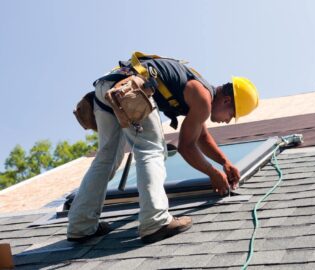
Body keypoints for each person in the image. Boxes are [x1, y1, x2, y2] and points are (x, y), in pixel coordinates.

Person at [67, 54, 259, 244]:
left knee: (106, 159)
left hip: (107, 87)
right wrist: (213, 173)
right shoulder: (203, 98)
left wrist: (225, 163)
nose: (227, 120)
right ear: (226, 100)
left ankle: (81, 225)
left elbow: (201, 136)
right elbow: (186, 146)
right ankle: (155, 221)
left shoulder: (200, 91)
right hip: (129, 89)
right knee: (151, 149)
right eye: (231, 115)